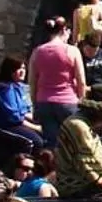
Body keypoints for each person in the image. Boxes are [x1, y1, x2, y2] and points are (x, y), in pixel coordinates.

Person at [26, 17, 85, 150]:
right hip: (67, 101)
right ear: (64, 30)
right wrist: (82, 101)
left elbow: (32, 82)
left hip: (44, 102)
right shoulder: (72, 51)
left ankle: (53, 168)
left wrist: (35, 104)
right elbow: (81, 80)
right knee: (73, 142)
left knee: (52, 143)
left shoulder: (37, 52)